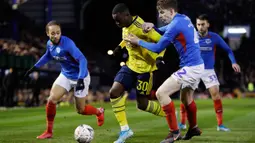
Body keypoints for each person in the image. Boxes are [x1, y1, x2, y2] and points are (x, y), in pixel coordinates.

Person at [124, 0, 204, 142]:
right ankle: (194, 128)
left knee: (161, 93)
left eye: (162, 12)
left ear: (172, 11)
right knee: (186, 99)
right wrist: (154, 27)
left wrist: (138, 41)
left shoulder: (175, 25)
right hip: (197, 65)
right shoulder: (183, 18)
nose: (160, 16)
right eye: (159, 13)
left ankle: (174, 133)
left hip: (190, 68)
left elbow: (157, 48)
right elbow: (167, 29)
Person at [24, 20, 105, 139]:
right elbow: (47, 55)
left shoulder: (68, 44)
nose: (56, 35)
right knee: (51, 99)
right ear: (47, 33)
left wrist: (81, 78)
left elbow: (82, 59)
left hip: (80, 76)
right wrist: (35, 67)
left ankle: (99, 112)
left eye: (58, 33)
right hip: (66, 75)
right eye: (53, 33)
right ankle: (49, 132)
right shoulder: (49, 44)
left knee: (81, 110)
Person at [110, 3, 166, 143]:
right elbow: (127, 37)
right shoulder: (125, 26)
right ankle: (125, 130)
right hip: (130, 66)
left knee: (142, 104)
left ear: (127, 15)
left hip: (145, 70)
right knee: (114, 92)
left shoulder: (142, 27)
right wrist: (119, 46)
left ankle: (169, 114)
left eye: (118, 20)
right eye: (114, 20)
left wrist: (160, 57)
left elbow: (162, 41)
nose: (117, 23)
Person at [178, 14, 241, 132]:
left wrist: (233, 62)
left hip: (208, 70)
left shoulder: (214, 37)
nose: (200, 27)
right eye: (198, 24)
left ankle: (220, 125)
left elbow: (228, 50)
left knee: (216, 93)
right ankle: (182, 123)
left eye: (202, 24)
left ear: (208, 24)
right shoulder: (191, 36)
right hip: (193, 69)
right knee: (186, 95)